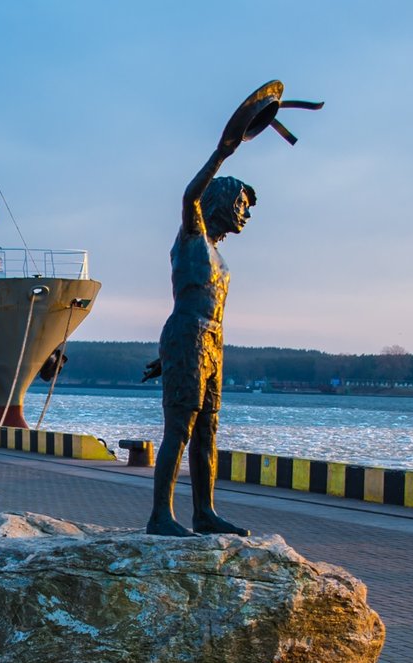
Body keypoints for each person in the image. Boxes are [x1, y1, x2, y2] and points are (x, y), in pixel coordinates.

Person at [143, 83, 288, 537]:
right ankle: (160, 516)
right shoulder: (192, 234)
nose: (245, 214)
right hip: (189, 333)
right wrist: (222, 153)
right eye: (242, 205)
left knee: (208, 432)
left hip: (210, 342)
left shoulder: (221, 257)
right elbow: (189, 197)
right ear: (222, 200)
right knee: (180, 429)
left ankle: (204, 511)